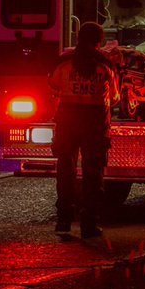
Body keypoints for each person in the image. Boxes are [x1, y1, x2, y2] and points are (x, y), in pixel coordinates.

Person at [48, 22, 120, 237]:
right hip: (94, 125)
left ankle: (63, 220)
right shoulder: (104, 66)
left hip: (67, 124)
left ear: (78, 38)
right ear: (99, 42)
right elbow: (115, 98)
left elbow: (53, 86)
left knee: (65, 171)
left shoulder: (64, 63)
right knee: (93, 174)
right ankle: (89, 224)